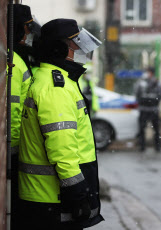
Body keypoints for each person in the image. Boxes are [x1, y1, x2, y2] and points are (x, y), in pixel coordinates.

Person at [18, 19, 104, 230]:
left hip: (48, 197)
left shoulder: (53, 79)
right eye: (76, 43)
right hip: (52, 199)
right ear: (59, 47)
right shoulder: (56, 88)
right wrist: (78, 194)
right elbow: (62, 147)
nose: (81, 48)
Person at [7, 4, 41, 229]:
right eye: (27, 29)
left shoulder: (18, 58)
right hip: (15, 149)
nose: (29, 34)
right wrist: (14, 150)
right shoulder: (15, 62)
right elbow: (13, 111)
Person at [134, 67, 161, 152]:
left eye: (148, 72)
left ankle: (155, 147)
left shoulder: (142, 82)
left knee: (154, 129)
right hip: (147, 109)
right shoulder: (155, 82)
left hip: (150, 109)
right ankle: (144, 146)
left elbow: (137, 94)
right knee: (144, 129)